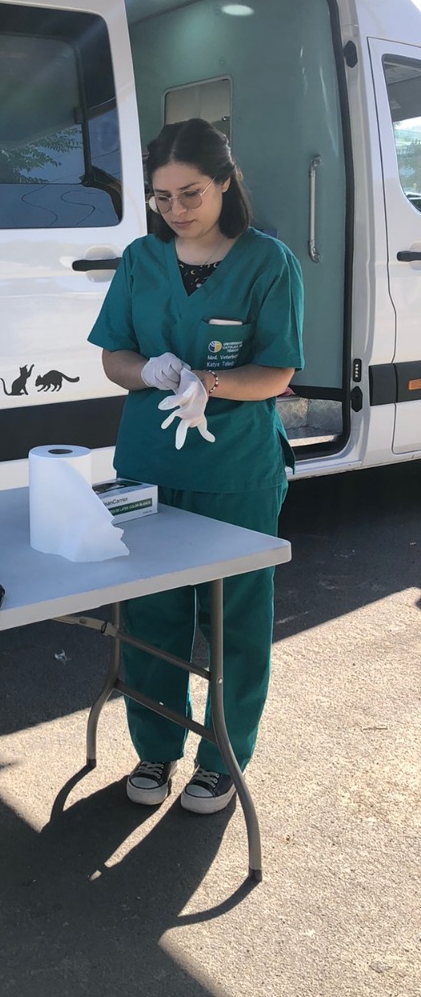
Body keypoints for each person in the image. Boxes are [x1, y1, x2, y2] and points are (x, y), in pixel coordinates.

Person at [87, 118, 303, 815]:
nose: (176, 211)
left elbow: (276, 373)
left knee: (235, 622)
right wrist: (148, 369)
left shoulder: (268, 262)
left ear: (225, 183)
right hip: (143, 464)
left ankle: (223, 759)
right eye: (161, 198)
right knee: (148, 615)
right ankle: (156, 749)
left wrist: (210, 385)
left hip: (236, 469)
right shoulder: (139, 261)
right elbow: (112, 356)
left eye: (191, 194)